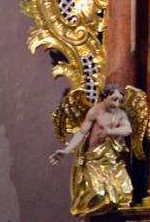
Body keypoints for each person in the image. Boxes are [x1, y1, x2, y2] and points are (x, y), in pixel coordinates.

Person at [49, 84, 133, 221]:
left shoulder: (120, 114)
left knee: (124, 193)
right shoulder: (95, 112)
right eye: (114, 99)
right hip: (94, 161)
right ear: (105, 97)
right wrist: (66, 150)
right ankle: (87, 217)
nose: (117, 103)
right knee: (97, 194)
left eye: (120, 100)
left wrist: (110, 132)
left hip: (113, 161)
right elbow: (82, 132)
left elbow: (127, 129)